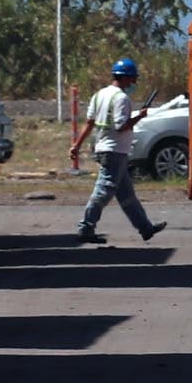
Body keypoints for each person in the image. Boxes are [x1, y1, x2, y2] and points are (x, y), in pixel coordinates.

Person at [70, 57, 168, 245]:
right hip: (114, 151)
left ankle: (145, 228)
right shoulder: (122, 98)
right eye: (132, 79)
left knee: (126, 195)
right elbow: (121, 126)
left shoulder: (99, 95)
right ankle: (85, 228)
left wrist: (77, 145)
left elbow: (90, 123)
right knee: (103, 191)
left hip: (106, 149)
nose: (134, 83)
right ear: (124, 78)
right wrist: (138, 117)